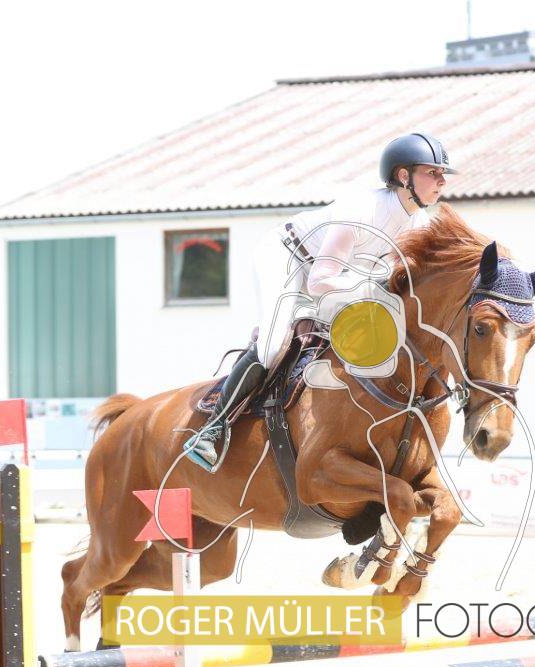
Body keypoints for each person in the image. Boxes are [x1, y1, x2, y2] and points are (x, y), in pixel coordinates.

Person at [185, 132, 456, 470]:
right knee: (273, 344)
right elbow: (319, 281)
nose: (442, 181)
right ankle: (213, 429)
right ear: (404, 176)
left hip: (336, 276)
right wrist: (373, 286)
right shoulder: (362, 209)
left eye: (443, 174)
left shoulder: (419, 224)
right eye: (432, 172)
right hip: (289, 257)